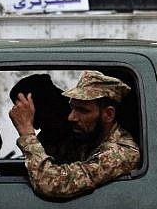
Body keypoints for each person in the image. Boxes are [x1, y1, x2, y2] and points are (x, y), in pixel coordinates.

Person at [9, 70, 140, 198]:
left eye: (82, 110)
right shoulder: (90, 138)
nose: (71, 117)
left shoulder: (121, 153)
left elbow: (52, 184)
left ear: (108, 114)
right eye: (72, 108)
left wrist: (27, 133)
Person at [9, 73, 75, 164]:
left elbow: (46, 171)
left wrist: (26, 132)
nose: (20, 114)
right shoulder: (48, 134)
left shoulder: (77, 132)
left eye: (24, 108)